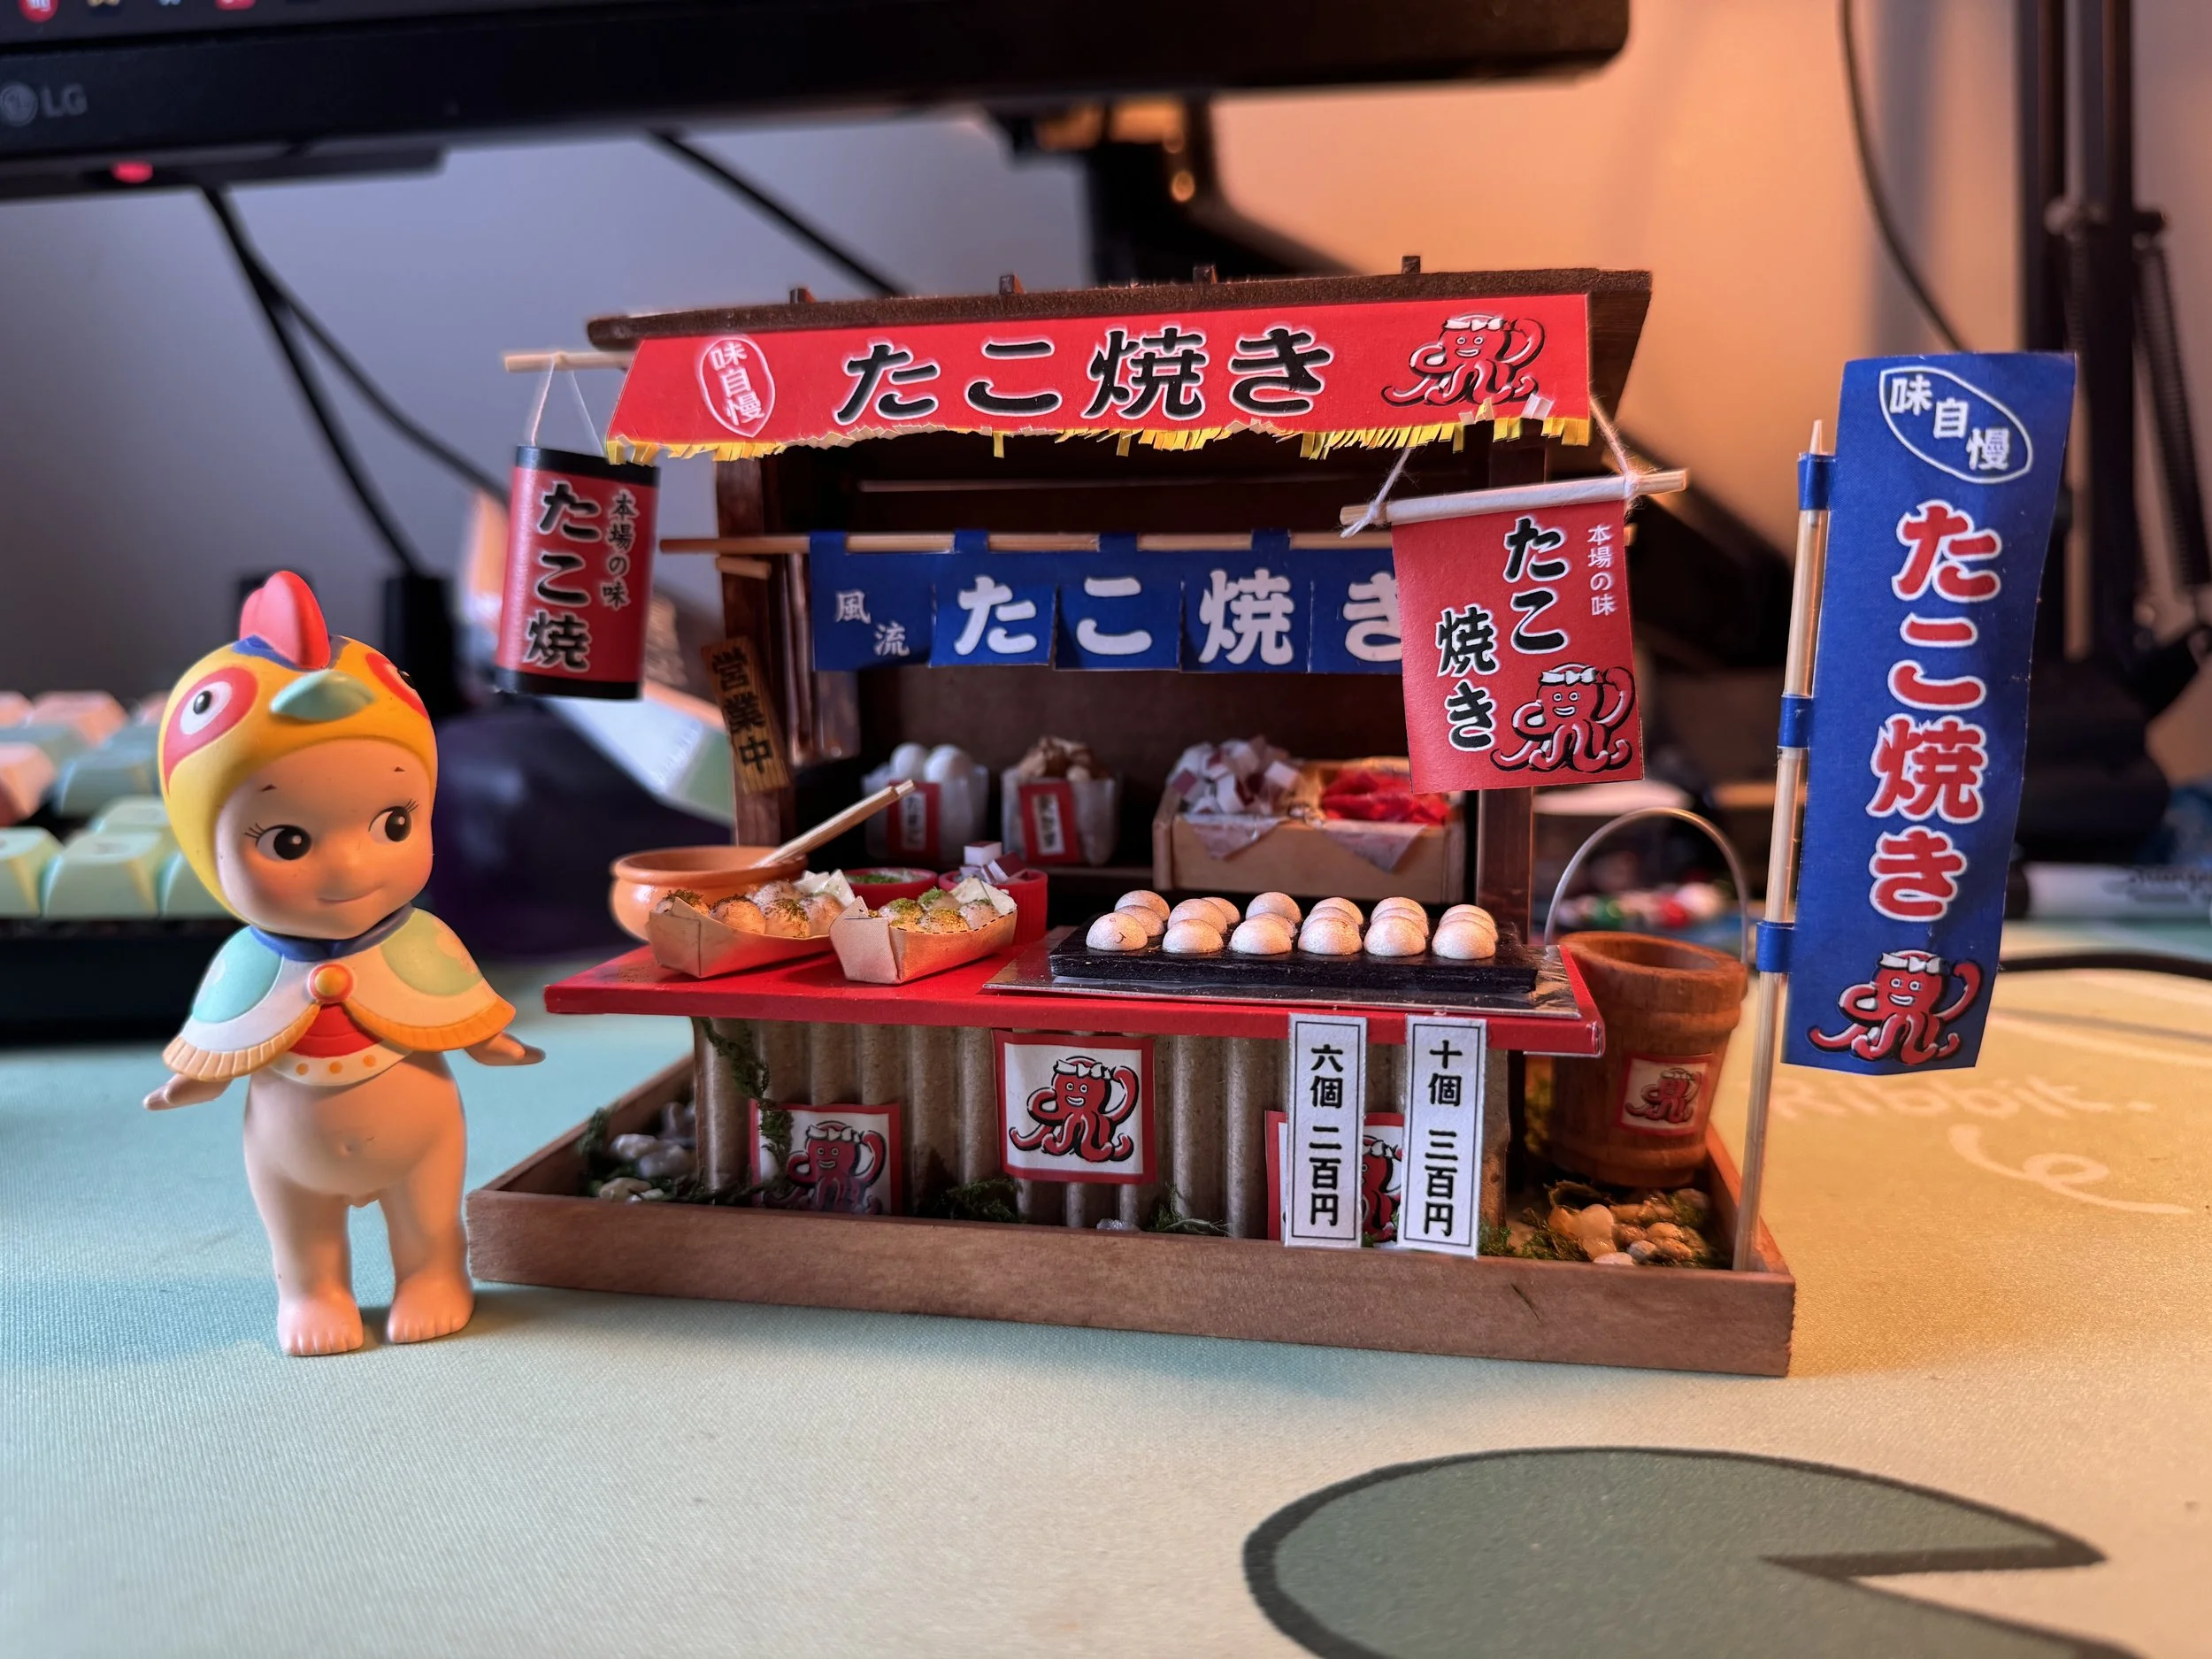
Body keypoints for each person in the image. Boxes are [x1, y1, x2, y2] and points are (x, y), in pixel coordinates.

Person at [144, 572, 541, 1356]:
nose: (352, 866)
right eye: (288, 841)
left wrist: (492, 1040)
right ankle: (311, 1289)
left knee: (427, 1216)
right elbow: (222, 1029)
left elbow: (456, 999)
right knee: (300, 1228)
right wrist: (197, 1078)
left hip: (420, 1132)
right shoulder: (246, 961)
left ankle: (433, 1273)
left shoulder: (420, 938)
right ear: (205, 850)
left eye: (394, 822)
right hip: (287, 1144)